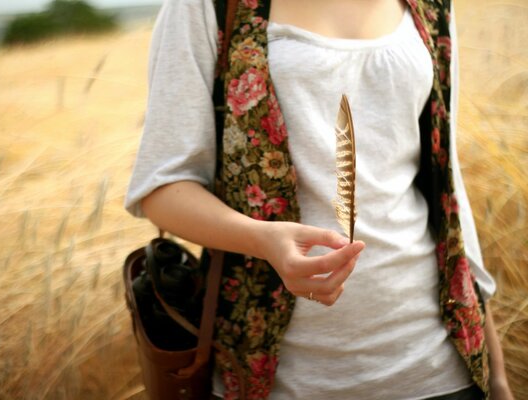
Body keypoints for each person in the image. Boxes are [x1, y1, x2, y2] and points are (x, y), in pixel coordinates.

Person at [125, 0, 514, 398]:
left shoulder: (431, 5)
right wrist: (262, 240)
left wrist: (495, 372)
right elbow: (163, 187)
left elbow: (447, 190)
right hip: (284, 377)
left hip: (438, 364)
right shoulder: (207, 6)